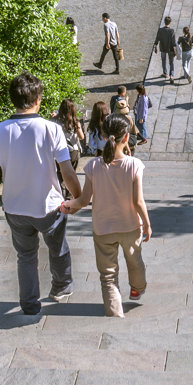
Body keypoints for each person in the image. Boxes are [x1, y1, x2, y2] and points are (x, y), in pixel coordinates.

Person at [0, 73, 81, 315]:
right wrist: (78, 198)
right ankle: (61, 287)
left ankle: (29, 304)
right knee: (57, 249)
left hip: (14, 206)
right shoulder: (51, 129)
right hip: (49, 205)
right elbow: (66, 171)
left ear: (12, 99)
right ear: (38, 100)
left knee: (25, 256)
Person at [59, 115, 150, 318]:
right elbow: (138, 201)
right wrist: (147, 223)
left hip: (103, 228)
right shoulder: (135, 165)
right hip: (130, 226)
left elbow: (83, 200)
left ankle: (114, 312)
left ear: (102, 135)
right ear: (127, 137)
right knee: (135, 261)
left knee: (108, 275)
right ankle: (137, 288)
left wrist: (66, 205)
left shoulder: (93, 166)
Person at [53, 99, 86, 167]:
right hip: (72, 150)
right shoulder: (75, 122)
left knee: (60, 174)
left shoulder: (55, 120)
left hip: (59, 150)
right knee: (71, 173)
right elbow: (81, 137)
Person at [154, 16, 178, 80]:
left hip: (163, 48)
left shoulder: (160, 30)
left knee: (163, 60)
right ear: (170, 22)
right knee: (171, 62)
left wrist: (155, 46)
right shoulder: (171, 31)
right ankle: (171, 75)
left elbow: (157, 39)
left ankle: (165, 73)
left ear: (164, 22)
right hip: (170, 48)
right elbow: (173, 42)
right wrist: (175, 49)